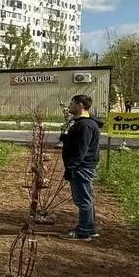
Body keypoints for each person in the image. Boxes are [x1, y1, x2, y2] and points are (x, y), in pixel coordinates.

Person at [59, 94, 101, 240]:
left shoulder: (85, 125)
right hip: (82, 166)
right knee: (85, 198)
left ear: (80, 105)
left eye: (72, 104)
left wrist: (71, 167)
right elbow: (78, 143)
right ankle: (90, 228)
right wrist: (67, 139)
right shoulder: (82, 123)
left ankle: (83, 231)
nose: (69, 106)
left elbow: (81, 149)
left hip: (81, 167)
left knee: (82, 200)